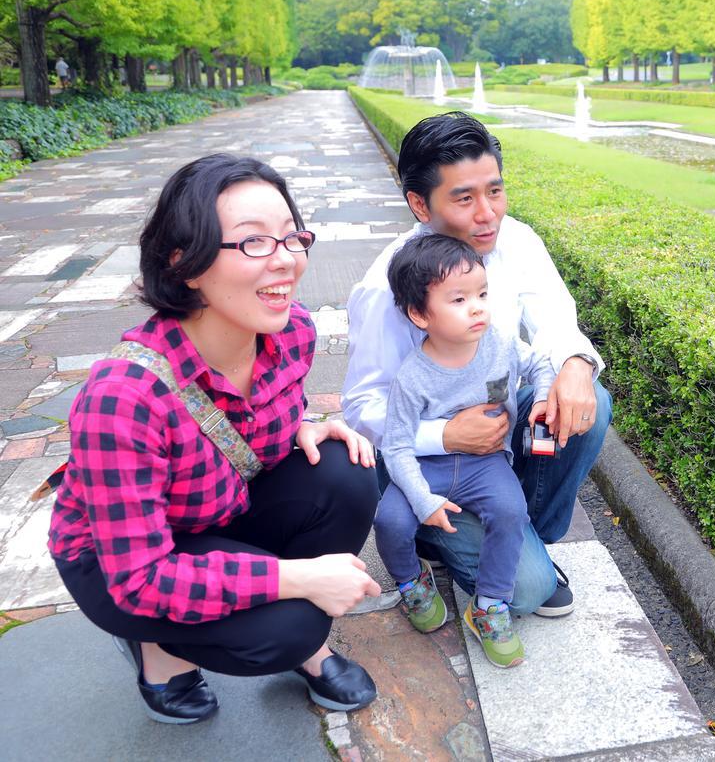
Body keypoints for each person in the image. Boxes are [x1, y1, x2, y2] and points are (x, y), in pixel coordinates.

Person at [48, 154, 383, 725]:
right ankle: (159, 651)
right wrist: (296, 578)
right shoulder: (123, 399)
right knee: (293, 624)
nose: (285, 262)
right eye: (254, 244)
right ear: (186, 264)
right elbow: (141, 578)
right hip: (123, 563)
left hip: (215, 513)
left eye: (291, 238)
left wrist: (299, 424)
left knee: (346, 470)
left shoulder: (290, 330)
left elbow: (249, 425)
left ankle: (268, 616)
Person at [343, 111, 612, 619]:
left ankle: (522, 534)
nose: (488, 214)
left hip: (494, 447)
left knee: (590, 398)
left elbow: (556, 320)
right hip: (424, 462)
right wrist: (445, 436)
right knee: (529, 593)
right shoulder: (387, 290)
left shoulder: (515, 240)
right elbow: (361, 406)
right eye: (464, 198)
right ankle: (439, 537)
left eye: (495, 191)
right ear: (420, 204)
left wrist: (575, 362)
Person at [374, 234, 554, 668]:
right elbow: (396, 446)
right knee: (390, 518)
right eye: (459, 299)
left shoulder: (501, 344)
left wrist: (545, 394)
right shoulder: (413, 377)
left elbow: (540, 363)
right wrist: (423, 500)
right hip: (425, 467)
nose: (477, 307)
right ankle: (411, 583)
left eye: (482, 294)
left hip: (485, 463)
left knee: (510, 511)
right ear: (420, 314)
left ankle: (489, 606)